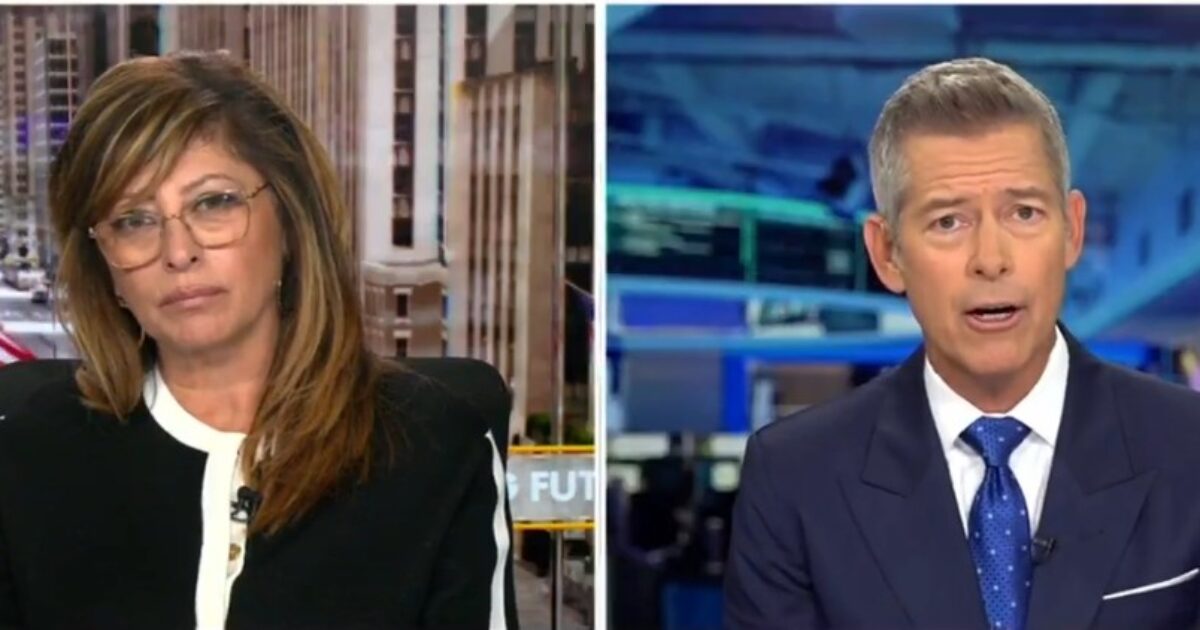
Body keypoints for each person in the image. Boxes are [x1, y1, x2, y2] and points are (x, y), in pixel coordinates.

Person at [0, 51, 518, 629]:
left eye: (214, 203)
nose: (179, 252)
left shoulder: (435, 451)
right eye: (133, 221)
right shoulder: (28, 459)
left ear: (292, 222)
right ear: (105, 268)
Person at [724, 57, 1200, 630]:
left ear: (1072, 230)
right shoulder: (795, 478)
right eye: (949, 222)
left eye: (1024, 213)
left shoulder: (1187, 447)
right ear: (887, 253)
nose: (991, 260)